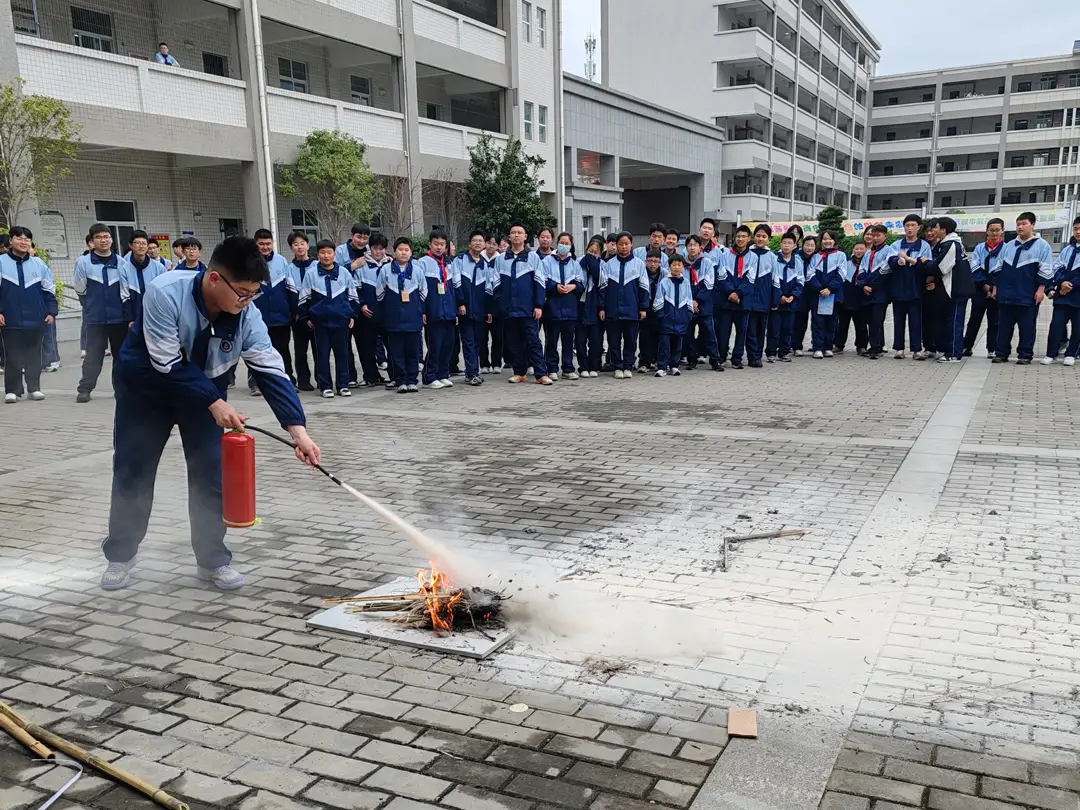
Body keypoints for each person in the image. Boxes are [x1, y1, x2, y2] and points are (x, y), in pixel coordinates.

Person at [99, 237, 318, 592]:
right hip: (147, 393)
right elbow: (166, 362)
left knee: (210, 476)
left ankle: (212, 559)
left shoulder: (247, 313)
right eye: (243, 292)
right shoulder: (164, 292)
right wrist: (215, 402)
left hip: (204, 396)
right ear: (215, 279)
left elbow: (270, 368)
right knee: (132, 471)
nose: (248, 301)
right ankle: (120, 555)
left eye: (254, 294)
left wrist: (299, 432)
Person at [75, 223, 133, 403]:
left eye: (107, 237)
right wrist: (92, 308)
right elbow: (80, 289)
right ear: (92, 241)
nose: (104, 240)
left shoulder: (122, 263)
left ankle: (122, 389)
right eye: (99, 237)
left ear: (112, 239)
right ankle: (85, 389)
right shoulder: (83, 262)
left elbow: (126, 291)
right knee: (93, 356)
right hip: (95, 319)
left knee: (121, 356)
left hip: (119, 319)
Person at [0, 226, 56, 403]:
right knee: (13, 354)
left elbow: (49, 289)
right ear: (11, 241)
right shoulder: (1, 262)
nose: (23, 242)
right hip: (10, 317)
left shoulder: (38, 264)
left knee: (34, 354)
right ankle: (12, 390)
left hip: (36, 317)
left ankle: (34, 388)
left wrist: (51, 311)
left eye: (27, 239)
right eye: (19, 238)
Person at [489, 224, 550, 385]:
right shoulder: (501, 259)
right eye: (513, 233)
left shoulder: (533, 258)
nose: (516, 235)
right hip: (508, 310)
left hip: (528, 309)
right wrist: (500, 303)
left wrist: (538, 305)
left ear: (525, 236)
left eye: (519, 233)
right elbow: (495, 282)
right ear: (509, 237)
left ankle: (541, 374)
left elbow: (540, 283)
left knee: (533, 341)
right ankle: (519, 372)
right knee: (513, 342)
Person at [991, 212, 1053, 365]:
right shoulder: (1009, 245)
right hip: (1006, 293)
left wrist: (1040, 290)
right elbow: (998, 268)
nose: (1020, 227)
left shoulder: (1042, 246)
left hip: (1027, 294)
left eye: (1024, 223)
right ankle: (1001, 353)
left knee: (1027, 327)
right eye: (1018, 224)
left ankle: (1025, 354)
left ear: (1033, 225)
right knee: (1004, 326)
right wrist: (996, 288)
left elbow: (1045, 269)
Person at [298, 239, 357, 397]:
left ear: (334, 254)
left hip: (341, 321)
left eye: (329, 252)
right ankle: (325, 386)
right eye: (322, 253)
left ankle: (343, 385)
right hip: (320, 323)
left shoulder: (344, 273)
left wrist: (352, 315)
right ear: (317, 255)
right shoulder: (311, 274)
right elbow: (303, 298)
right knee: (322, 355)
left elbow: (352, 296)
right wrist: (306, 318)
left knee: (343, 354)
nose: (326, 256)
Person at [248, 228, 298, 396]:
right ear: (255, 244)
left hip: (281, 316)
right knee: (255, 351)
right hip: (256, 317)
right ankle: (255, 383)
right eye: (261, 244)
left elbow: (290, 288)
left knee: (282, 349)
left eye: (268, 244)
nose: (265, 247)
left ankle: (287, 379)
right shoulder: (248, 262)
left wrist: (293, 310)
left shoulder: (282, 261)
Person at [599, 232, 649, 379]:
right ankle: (617, 366)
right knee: (613, 341)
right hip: (612, 310)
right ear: (616, 245)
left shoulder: (639, 264)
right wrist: (601, 307)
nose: (623, 247)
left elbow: (644, 288)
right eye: (620, 244)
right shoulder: (608, 265)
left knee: (631, 340)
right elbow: (603, 288)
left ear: (631, 244)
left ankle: (628, 365)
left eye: (626, 244)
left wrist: (643, 308)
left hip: (632, 310)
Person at [377, 238, 425, 393]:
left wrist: (416, 309)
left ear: (411, 253)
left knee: (412, 352)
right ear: (395, 251)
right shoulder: (385, 270)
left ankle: (412, 380)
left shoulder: (417, 270)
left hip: (413, 319)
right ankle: (401, 381)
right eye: (400, 249)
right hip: (393, 319)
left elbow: (424, 292)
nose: (403, 253)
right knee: (396, 352)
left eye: (407, 250)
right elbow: (379, 294)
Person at [926, 217, 973, 363]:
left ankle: (953, 353)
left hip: (957, 291)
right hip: (948, 291)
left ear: (943, 230)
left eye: (936, 227)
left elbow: (941, 267)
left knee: (954, 323)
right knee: (947, 322)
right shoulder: (946, 244)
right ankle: (946, 350)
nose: (933, 230)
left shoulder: (952, 245)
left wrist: (924, 263)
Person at [418, 229, 457, 389]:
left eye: (442, 244)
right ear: (430, 244)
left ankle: (442, 373)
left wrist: (454, 310)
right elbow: (420, 289)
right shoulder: (422, 262)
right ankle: (429, 376)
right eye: (436, 244)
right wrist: (423, 310)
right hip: (433, 310)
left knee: (448, 345)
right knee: (435, 345)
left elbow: (453, 289)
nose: (439, 247)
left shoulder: (449, 263)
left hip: (449, 311)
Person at [889, 214, 931, 360]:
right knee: (898, 319)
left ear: (918, 227)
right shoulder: (896, 244)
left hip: (916, 287)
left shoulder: (924, 245)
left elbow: (926, 264)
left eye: (913, 225)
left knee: (915, 320)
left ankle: (916, 349)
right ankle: (899, 348)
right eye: (907, 225)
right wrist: (897, 261)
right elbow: (891, 260)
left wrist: (908, 259)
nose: (910, 228)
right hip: (899, 287)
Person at [350, 233, 389, 388]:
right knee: (366, 347)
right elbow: (354, 289)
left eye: (381, 249)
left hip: (386, 315)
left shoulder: (390, 265)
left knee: (390, 346)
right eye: (375, 248)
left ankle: (394, 375)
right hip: (367, 314)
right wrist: (362, 305)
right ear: (369, 248)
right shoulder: (361, 266)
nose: (378, 252)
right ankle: (370, 376)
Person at [543, 232, 584, 380]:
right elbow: (542, 281)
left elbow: (581, 284)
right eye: (562, 242)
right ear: (557, 243)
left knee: (568, 341)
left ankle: (568, 368)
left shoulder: (575, 264)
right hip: (552, 308)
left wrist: (573, 287)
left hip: (570, 309)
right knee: (551, 341)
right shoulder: (547, 261)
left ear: (571, 246)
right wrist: (555, 287)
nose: (564, 246)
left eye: (567, 243)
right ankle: (551, 368)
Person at [1042, 215, 1080, 366]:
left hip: (1077, 296)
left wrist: (1070, 285)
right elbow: (1056, 268)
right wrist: (1061, 282)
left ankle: (1071, 353)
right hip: (1062, 297)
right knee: (1056, 325)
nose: (1078, 232)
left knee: (1078, 327)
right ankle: (1051, 353)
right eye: (1076, 229)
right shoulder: (1067, 250)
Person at [964, 218, 1004, 359]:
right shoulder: (980, 248)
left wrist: (995, 287)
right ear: (986, 231)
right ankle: (967, 346)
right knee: (975, 318)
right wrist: (985, 286)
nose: (994, 233)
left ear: (1002, 231)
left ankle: (992, 348)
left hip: (998, 289)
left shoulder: (1006, 249)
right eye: (991, 230)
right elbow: (975, 267)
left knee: (995, 320)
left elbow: (1003, 269)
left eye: (997, 230)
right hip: (980, 288)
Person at [715, 225, 753, 369]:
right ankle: (722, 356)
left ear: (749, 238)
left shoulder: (753, 257)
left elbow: (751, 279)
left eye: (744, 236)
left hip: (743, 300)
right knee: (723, 331)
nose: (740, 239)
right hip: (725, 299)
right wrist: (731, 292)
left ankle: (737, 358)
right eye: (738, 236)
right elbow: (722, 276)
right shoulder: (725, 254)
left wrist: (738, 293)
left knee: (741, 331)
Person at [454, 229, 488, 386]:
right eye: (475, 240)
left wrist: (488, 310)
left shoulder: (485, 264)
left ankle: (472, 371)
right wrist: (460, 303)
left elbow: (489, 289)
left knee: (477, 341)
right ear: (469, 244)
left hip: (480, 311)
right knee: (468, 341)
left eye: (481, 241)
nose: (478, 243)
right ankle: (472, 372)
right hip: (465, 310)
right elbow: (456, 283)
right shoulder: (460, 260)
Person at [683, 235, 721, 371]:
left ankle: (715, 360)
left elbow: (709, 284)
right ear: (686, 247)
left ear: (700, 248)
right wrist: (690, 301)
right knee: (688, 334)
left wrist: (697, 301)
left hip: (704, 304)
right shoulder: (682, 264)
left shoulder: (707, 263)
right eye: (690, 245)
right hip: (687, 304)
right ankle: (691, 359)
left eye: (695, 245)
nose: (692, 248)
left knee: (709, 333)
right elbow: (681, 286)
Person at [857, 225, 895, 360]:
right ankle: (874, 346)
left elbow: (885, 271)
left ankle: (876, 347)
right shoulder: (868, 253)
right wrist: (863, 285)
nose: (875, 238)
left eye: (878, 235)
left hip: (880, 293)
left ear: (885, 236)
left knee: (877, 320)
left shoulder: (889, 251)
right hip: (867, 292)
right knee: (869, 320)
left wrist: (872, 285)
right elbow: (861, 270)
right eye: (873, 235)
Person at [806, 231, 846, 359]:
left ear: (834, 241)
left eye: (830, 239)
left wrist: (829, 288)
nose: (827, 241)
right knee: (817, 321)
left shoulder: (840, 255)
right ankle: (817, 347)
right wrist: (819, 288)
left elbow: (842, 274)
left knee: (831, 321)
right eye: (824, 239)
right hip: (817, 295)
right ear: (821, 241)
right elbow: (810, 274)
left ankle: (828, 347)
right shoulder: (816, 256)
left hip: (833, 295)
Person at [652, 254, 693, 377]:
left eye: (679, 265)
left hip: (681, 318)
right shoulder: (664, 281)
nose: (676, 267)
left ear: (683, 267)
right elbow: (659, 298)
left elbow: (689, 298)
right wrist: (661, 315)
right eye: (674, 265)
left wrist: (688, 315)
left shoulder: (685, 282)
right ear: (669, 266)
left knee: (678, 345)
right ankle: (662, 366)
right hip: (667, 318)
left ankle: (674, 366)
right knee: (664, 344)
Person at [287, 232, 317, 390]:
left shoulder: (317, 265)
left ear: (307, 245)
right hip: (298, 317)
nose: (299, 247)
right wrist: (295, 313)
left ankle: (321, 378)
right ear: (291, 248)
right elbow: (289, 293)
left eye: (302, 243)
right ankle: (303, 380)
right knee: (300, 351)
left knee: (319, 349)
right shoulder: (289, 268)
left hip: (316, 315)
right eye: (295, 244)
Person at [744, 224, 777, 368]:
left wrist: (775, 299)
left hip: (764, 299)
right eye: (758, 235)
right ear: (753, 237)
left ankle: (758, 355)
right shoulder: (746, 253)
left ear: (769, 239)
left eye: (764, 236)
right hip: (748, 298)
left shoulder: (772, 257)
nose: (760, 238)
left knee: (760, 329)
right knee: (749, 329)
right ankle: (752, 357)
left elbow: (776, 280)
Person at [769, 231, 803, 362]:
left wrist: (793, 296)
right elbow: (773, 281)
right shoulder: (774, 259)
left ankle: (783, 352)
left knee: (787, 328)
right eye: (784, 243)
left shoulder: (798, 262)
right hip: (776, 302)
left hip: (791, 302)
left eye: (790, 243)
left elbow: (800, 282)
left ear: (794, 245)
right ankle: (771, 352)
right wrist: (780, 297)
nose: (786, 246)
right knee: (774, 328)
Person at [576, 235, 604, 378]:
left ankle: (594, 366)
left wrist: (594, 265)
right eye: (590, 252)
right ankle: (583, 366)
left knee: (595, 339)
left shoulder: (603, 265)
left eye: (595, 252)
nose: (592, 255)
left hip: (595, 305)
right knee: (580, 339)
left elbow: (602, 283)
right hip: (580, 304)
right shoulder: (578, 262)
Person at [834, 241, 869, 356]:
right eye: (857, 249)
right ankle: (839, 345)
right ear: (853, 250)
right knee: (842, 324)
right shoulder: (847, 263)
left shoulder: (868, 263)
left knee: (861, 325)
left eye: (861, 249)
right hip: (847, 297)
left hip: (861, 298)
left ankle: (862, 346)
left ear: (865, 250)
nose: (859, 251)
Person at [126, 230, 167, 324]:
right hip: (135, 317)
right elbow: (125, 296)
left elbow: (164, 293)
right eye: (137, 243)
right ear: (131, 246)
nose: (141, 246)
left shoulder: (159, 267)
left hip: (156, 315)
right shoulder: (124, 268)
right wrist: (130, 319)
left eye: (144, 243)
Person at [638, 248, 665, 372]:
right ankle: (644, 362)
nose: (653, 264)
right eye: (650, 261)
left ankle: (656, 360)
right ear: (645, 261)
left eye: (656, 261)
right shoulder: (641, 272)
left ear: (660, 262)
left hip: (660, 307)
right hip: (645, 307)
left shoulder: (665, 274)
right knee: (644, 336)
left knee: (658, 335)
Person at [481, 235, 503, 374]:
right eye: (489, 243)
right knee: (482, 337)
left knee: (498, 337)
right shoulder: (478, 259)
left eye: (494, 244)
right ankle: (483, 363)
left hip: (497, 305)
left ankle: (496, 363)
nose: (491, 246)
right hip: (482, 304)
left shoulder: (501, 260)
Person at [791, 235, 817, 355]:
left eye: (812, 245)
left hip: (815, 292)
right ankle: (797, 346)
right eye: (807, 245)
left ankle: (816, 345)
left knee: (817, 320)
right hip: (801, 292)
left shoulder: (818, 258)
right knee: (800, 320)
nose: (809, 248)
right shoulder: (796, 257)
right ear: (802, 245)